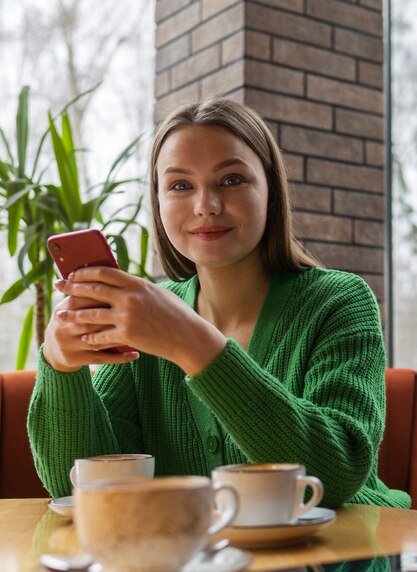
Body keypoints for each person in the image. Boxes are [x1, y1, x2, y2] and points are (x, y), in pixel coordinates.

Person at [27, 98, 410, 509]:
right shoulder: (149, 320)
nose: (205, 205)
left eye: (231, 180)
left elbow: (334, 476)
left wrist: (191, 344)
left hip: (342, 556)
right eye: (180, 185)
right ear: (158, 203)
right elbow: (79, 485)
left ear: (271, 192)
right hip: (198, 566)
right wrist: (61, 368)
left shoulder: (340, 302)